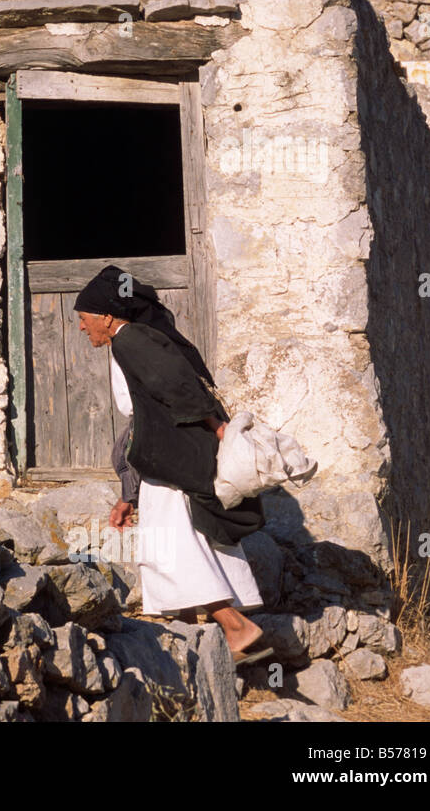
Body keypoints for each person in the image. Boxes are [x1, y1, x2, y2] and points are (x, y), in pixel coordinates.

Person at [73, 265, 272, 665]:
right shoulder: (136, 340)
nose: (81, 328)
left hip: (171, 458)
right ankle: (191, 640)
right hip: (169, 457)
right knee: (189, 537)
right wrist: (130, 492)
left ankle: (236, 627)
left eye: (83, 319)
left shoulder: (130, 341)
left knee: (169, 547)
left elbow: (176, 386)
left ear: (107, 317)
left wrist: (217, 427)